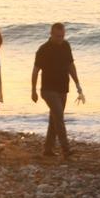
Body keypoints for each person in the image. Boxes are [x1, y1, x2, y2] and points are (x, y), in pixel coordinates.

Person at [31, 22, 85, 158]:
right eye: (57, 36)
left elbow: (70, 66)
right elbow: (35, 71)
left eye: (62, 36)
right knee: (59, 117)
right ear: (51, 34)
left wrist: (78, 84)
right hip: (48, 90)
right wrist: (33, 90)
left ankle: (47, 149)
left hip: (63, 89)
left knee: (54, 119)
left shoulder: (66, 46)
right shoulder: (43, 49)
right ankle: (66, 149)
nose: (60, 39)